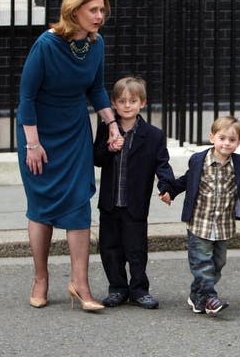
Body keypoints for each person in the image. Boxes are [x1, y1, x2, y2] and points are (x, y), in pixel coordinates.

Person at [17, 0, 120, 311]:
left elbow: (98, 89)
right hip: (41, 135)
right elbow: (27, 98)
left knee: (78, 204)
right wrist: (32, 144)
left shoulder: (96, 44)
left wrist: (113, 125)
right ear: (74, 11)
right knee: (42, 205)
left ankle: (81, 284)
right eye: (93, 10)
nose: (99, 16)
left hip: (75, 131)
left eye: (102, 10)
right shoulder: (46, 45)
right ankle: (40, 278)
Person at [160, 116, 240, 315]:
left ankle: (197, 296)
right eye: (222, 138)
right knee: (202, 263)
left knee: (218, 263)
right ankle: (210, 298)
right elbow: (185, 181)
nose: (226, 143)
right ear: (212, 138)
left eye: (232, 140)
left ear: (238, 143)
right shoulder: (199, 160)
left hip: (224, 225)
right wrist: (169, 191)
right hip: (199, 223)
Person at [93, 76, 175, 309]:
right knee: (110, 249)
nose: (127, 105)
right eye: (121, 101)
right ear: (113, 104)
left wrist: (166, 186)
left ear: (143, 103)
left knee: (136, 248)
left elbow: (162, 164)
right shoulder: (107, 129)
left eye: (133, 101)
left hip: (135, 203)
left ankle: (139, 289)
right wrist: (109, 148)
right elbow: (96, 159)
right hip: (109, 203)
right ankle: (117, 288)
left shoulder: (153, 135)